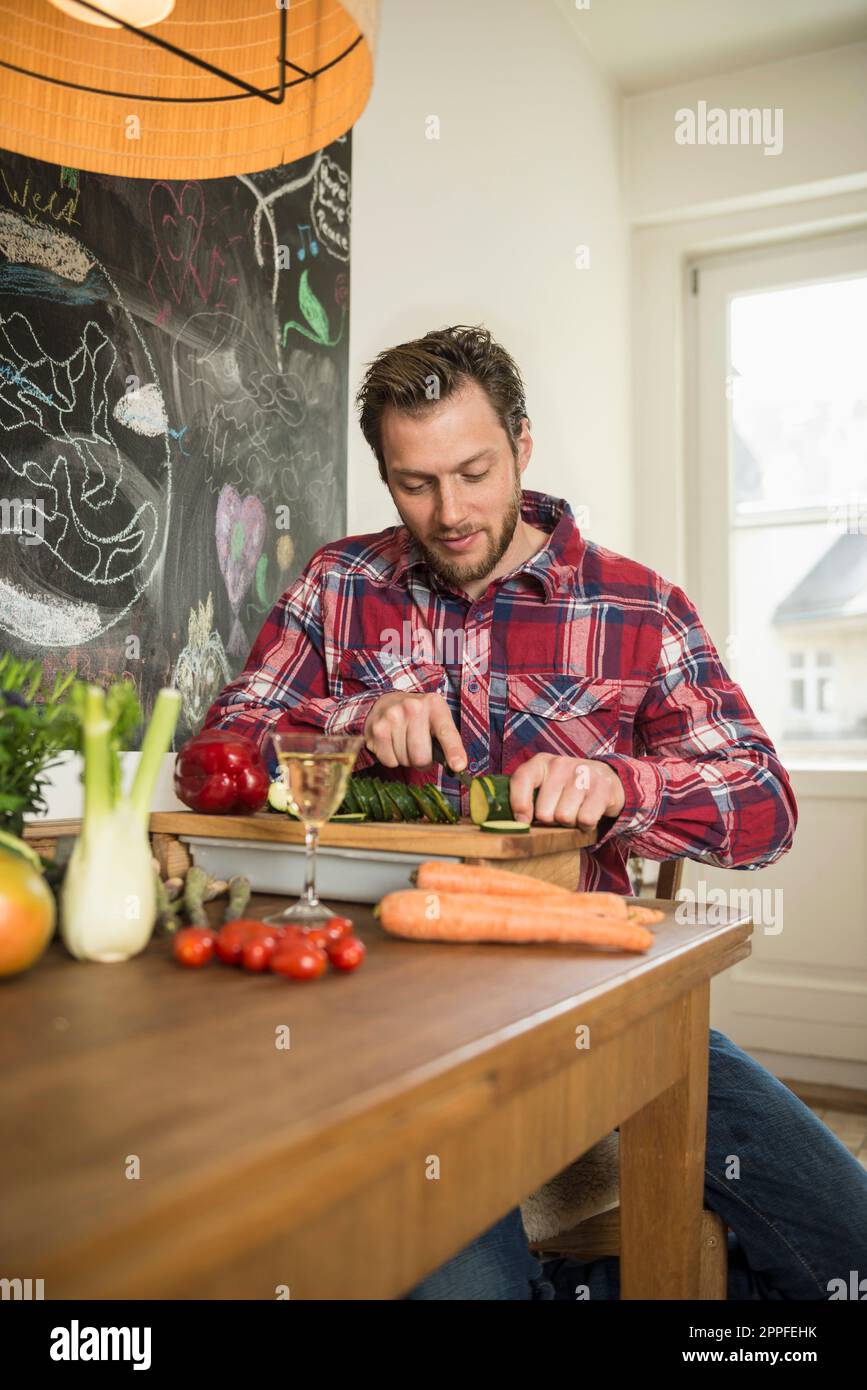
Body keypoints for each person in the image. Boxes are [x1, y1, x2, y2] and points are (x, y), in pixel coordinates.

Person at [202, 324, 867, 1299]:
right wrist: (353, 717)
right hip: (387, 1025)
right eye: (414, 482)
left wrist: (623, 788)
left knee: (846, 1245)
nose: (450, 511)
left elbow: (765, 806)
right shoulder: (337, 587)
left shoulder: (640, 608)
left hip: (603, 1004)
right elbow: (215, 752)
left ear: (522, 442)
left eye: (473, 470)